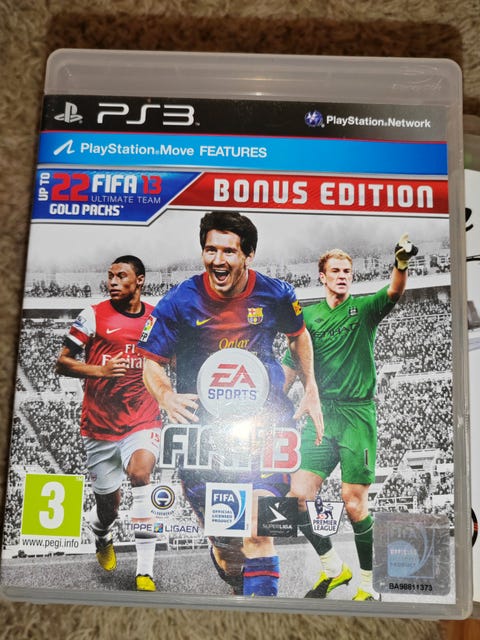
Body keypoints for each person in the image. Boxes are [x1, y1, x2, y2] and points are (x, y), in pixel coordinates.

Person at [138, 210, 323, 597]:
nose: (217, 260)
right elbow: (151, 362)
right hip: (203, 437)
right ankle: (233, 572)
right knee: (229, 549)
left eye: (228, 251)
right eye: (210, 250)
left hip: (266, 427)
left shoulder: (275, 294)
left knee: (258, 530)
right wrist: (166, 395)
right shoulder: (179, 302)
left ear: (248, 255)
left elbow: (298, 335)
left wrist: (310, 387)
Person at [282, 234, 417, 601]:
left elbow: (394, 291)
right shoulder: (307, 318)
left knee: (353, 502)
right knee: (296, 497)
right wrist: (270, 398)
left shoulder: (364, 309)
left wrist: (401, 263)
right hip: (321, 415)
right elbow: (289, 369)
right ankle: (333, 568)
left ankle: (368, 586)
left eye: (347, 271)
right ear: (322, 276)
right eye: (336, 271)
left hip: (357, 415)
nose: (342, 276)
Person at [56, 255, 162, 592]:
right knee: (109, 509)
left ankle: (145, 572)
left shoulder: (156, 318)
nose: (113, 281)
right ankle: (101, 533)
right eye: (110, 276)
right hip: (100, 425)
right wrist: (100, 370)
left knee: (141, 475)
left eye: (121, 276)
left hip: (142, 418)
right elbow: (62, 362)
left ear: (140, 280)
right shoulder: (92, 315)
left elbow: (168, 358)